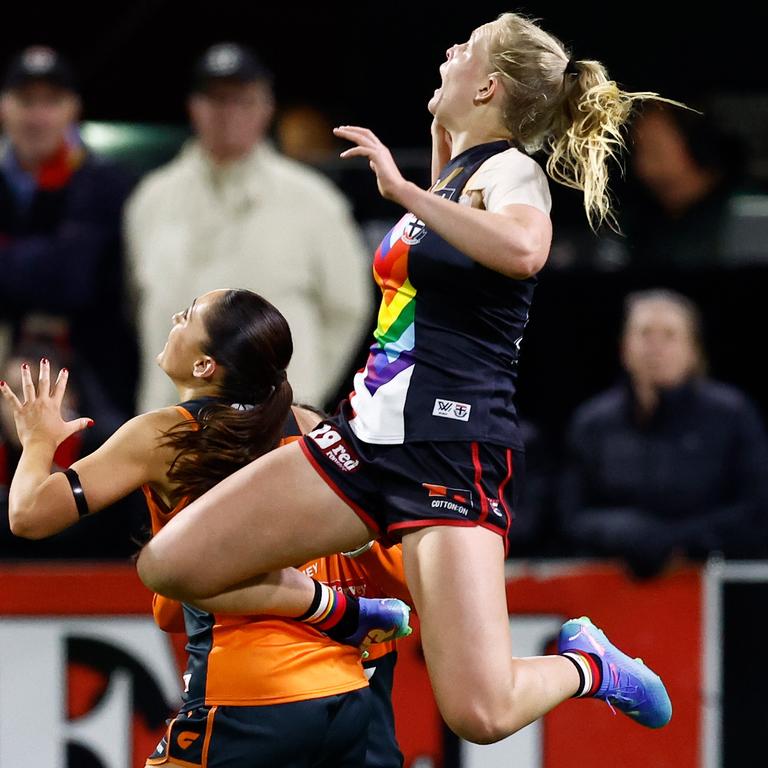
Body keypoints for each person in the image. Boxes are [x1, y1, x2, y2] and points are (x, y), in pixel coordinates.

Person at [132, 13, 676, 743]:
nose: (447, 51)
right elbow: (447, 237)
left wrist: (403, 190)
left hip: (445, 453)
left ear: (487, 85)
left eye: (465, 47)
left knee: (478, 713)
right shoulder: (453, 172)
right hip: (363, 443)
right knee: (172, 563)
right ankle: (345, 614)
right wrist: (428, 172)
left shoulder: (509, 168)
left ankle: (589, 667)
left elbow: (525, 250)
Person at [0, 288, 411, 767]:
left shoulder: (163, 435)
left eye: (189, 315)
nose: (176, 314)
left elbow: (27, 515)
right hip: (346, 695)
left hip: (245, 697)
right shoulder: (311, 426)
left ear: (204, 366)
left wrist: (36, 441)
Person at [125, 42, 372, 413]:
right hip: (167, 424)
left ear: (266, 107)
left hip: (273, 427)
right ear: (194, 107)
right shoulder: (150, 199)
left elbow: (348, 307)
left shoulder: (314, 200)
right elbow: (136, 303)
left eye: (242, 99)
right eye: (216, 99)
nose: (228, 113)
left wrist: (302, 392)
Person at [559, 288, 768, 578]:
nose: (655, 347)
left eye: (669, 335)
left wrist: (676, 538)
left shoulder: (733, 415)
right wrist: (630, 532)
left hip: (708, 582)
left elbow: (756, 509)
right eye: (645, 334)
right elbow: (570, 515)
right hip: (610, 585)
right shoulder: (592, 422)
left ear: (694, 350)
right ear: (623, 348)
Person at [0, 45, 138, 421]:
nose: (37, 115)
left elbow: (72, 280)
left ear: (72, 108)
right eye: (26, 100)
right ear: (4, 106)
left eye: (51, 101)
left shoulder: (108, 182)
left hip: (98, 380)